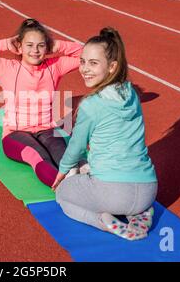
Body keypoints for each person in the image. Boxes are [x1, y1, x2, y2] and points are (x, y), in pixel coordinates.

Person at [52, 27, 158, 241]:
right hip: (149, 190)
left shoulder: (92, 105)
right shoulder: (131, 94)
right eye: (82, 62)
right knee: (89, 165)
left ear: (112, 66)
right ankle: (140, 212)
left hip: (112, 194)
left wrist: (62, 171)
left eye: (93, 63)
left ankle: (103, 221)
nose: (84, 69)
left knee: (63, 196)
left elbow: (76, 147)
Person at [0, 19, 82, 187]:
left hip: (47, 130)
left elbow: (86, 54)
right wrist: (6, 43)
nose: (35, 50)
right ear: (19, 47)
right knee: (39, 156)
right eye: (29, 45)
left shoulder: (55, 66)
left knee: (66, 160)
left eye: (41, 45)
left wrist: (56, 45)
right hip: (15, 133)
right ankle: (65, 189)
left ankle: (81, 186)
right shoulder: (6, 67)